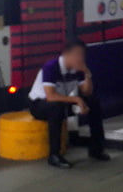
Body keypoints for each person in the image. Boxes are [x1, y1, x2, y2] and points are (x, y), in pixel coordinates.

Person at [28, 39, 109, 169]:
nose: (80, 58)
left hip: (62, 101)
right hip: (39, 105)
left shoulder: (77, 69)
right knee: (56, 107)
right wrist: (77, 100)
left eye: (82, 55)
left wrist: (87, 73)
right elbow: (51, 96)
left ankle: (96, 149)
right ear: (66, 55)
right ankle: (54, 155)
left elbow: (87, 92)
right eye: (77, 55)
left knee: (93, 101)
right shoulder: (51, 67)